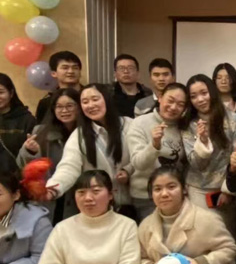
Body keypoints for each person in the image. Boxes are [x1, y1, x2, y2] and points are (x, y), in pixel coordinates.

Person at [45, 84, 134, 214]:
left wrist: (128, 170)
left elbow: (143, 157)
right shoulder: (79, 135)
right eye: (85, 102)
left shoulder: (130, 125)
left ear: (107, 99)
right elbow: (69, 167)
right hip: (98, 207)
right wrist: (53, 188)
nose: (90, 105)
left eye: (95, 99)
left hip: (134, 203)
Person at [183, 74, 236, 227]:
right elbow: (196, 163)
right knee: (201, 231)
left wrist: (228, 191)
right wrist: (203, 142)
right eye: (194, 96)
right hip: (198, 188)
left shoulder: (234, 120)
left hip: (227, 187)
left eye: (204, 93)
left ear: (212, 92)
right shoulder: (188, 124)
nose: (200, 99)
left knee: (226, 234)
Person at [17, 88, 81, 224]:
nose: (64, 111)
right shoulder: (40, 131)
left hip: (77, 197)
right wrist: (30, 151)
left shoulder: (87, 133)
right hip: (48, 196)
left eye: (70, 106)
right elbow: (24, 168)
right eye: (59, 107)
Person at [128, 83, 188, 220]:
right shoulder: (139, 123)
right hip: (146, 196)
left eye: (180, 104)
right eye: (170, 100)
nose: (174, 107)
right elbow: (138, 163)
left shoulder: (184, 127)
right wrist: (154, 145)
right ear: (160, 98)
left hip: (176, 195)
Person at [0, 73, 37, 174]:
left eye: (1, 92)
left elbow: (36, 155)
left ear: (11, 93)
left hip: (18, 177)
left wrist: (30, 149)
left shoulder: (27, 120)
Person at [35, 51, 83, 122]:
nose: (71, 71)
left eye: (75, 68)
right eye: (65, 68)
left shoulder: (89, 97)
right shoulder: (46, 103)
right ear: (54, 73)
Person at [111, 54, 152, 118]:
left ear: (138, 73)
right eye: (121, 68)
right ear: (115, 74)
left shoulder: (148, 94)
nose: (126, 71)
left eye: (130, 68)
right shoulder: (108, 93)